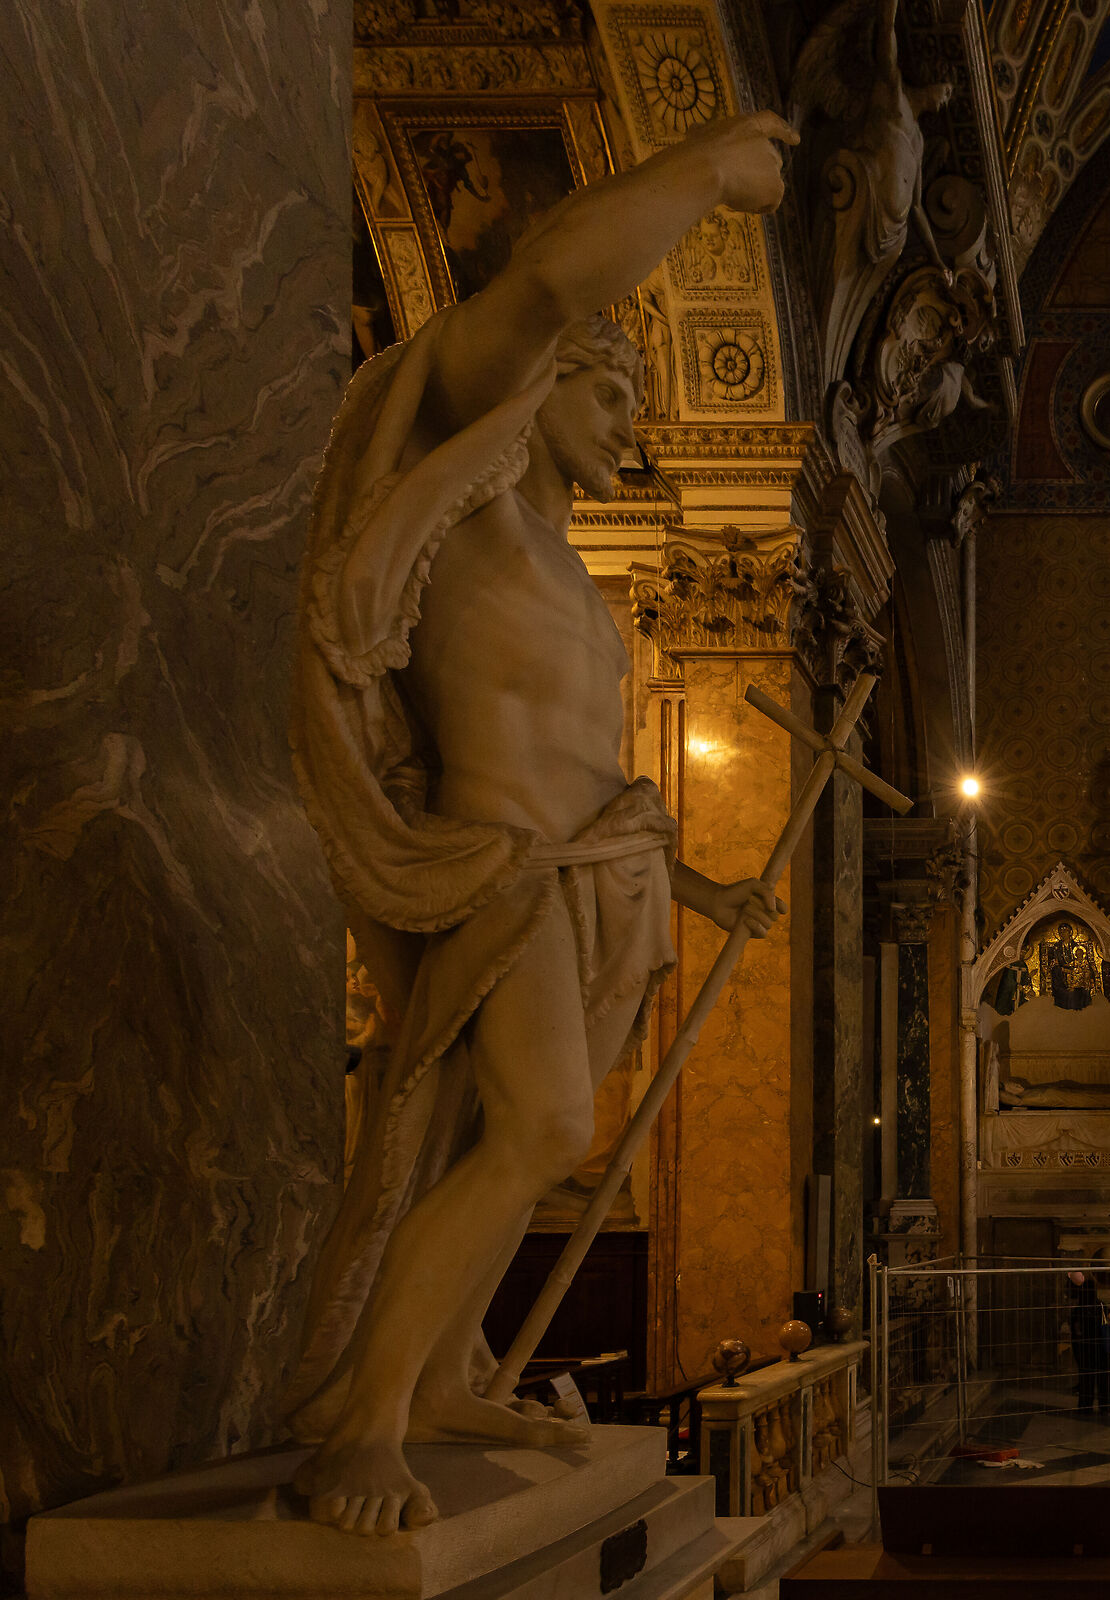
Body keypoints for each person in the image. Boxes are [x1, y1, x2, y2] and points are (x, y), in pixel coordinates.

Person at [285, 112, 798, 1536]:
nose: (635, 423)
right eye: (615, 392)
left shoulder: (575, 582)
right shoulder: (471, 496)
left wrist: (700, 888)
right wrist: (702, 174)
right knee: (541, 1126)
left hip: (581, 877)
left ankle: (442, 1375)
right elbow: (544, 287)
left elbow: (595, 780)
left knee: (496, 1142)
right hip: (485, 870)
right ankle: (363, 1419)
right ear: (540, 386)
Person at [1064, 1269, 1110, 1415]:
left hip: (1086, 1349)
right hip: (1102, 1348)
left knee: (1086, 1378)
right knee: (1104, 1377)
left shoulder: (1078, 1309)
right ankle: (1106, 1406)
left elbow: (1075, 1329)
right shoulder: (1101, 1305)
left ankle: (1086, 1406)